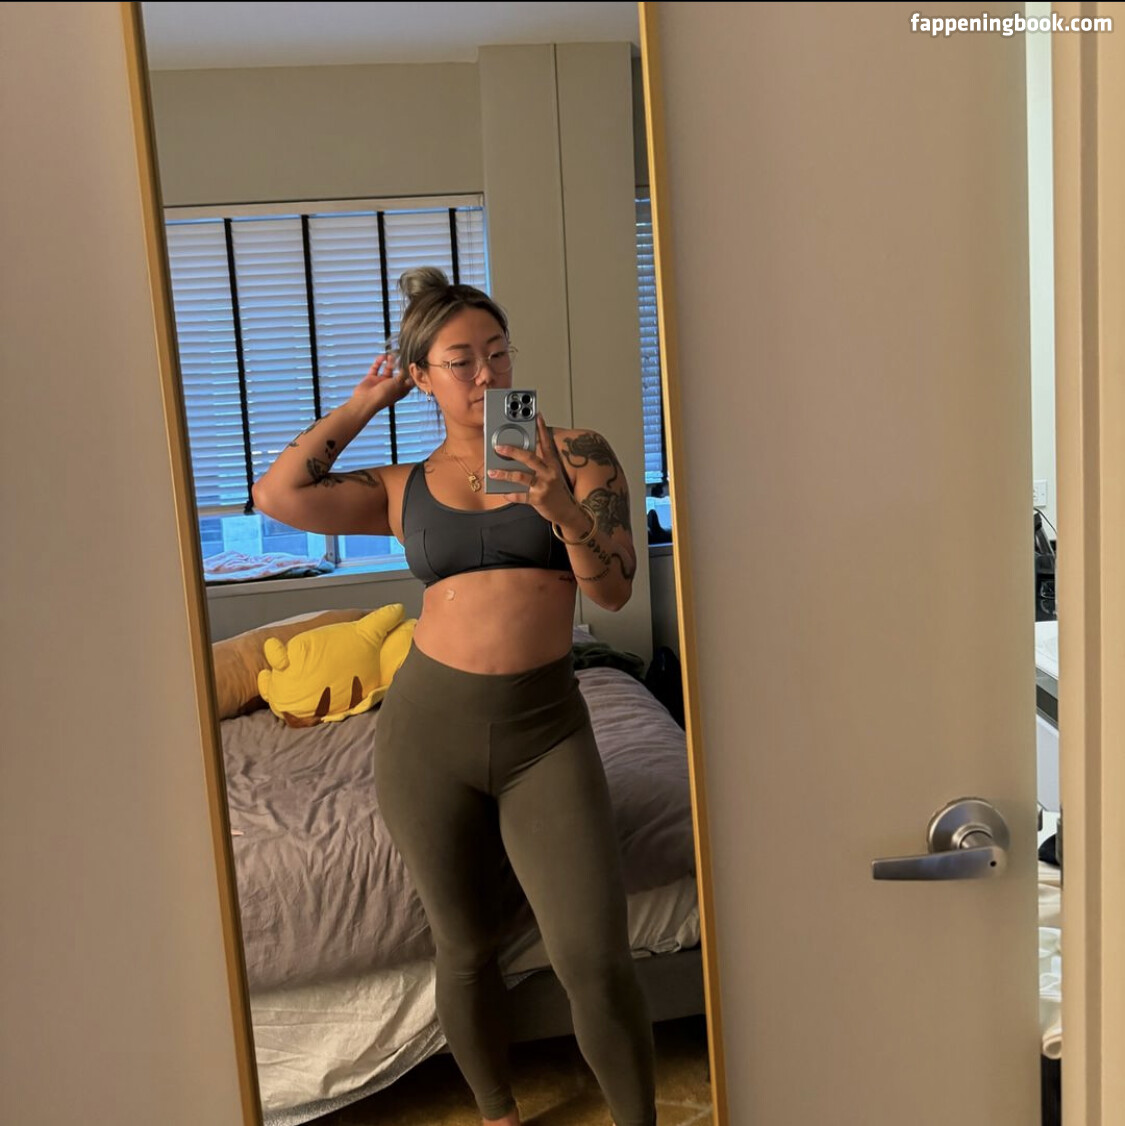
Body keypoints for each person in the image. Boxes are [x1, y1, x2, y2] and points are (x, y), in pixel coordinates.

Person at [252, 266, 656, 1126]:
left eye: (497, 354)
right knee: (465, 946)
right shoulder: (402, 487)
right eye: (459, 360)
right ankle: (497, 1112)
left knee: (593, 958)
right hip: (426, 735)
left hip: (545, 733)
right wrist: (365, 403)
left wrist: (562, 510)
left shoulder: (576, 455)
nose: (484, 375)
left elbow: (615, 592)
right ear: (421, 376)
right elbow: (277, 495)